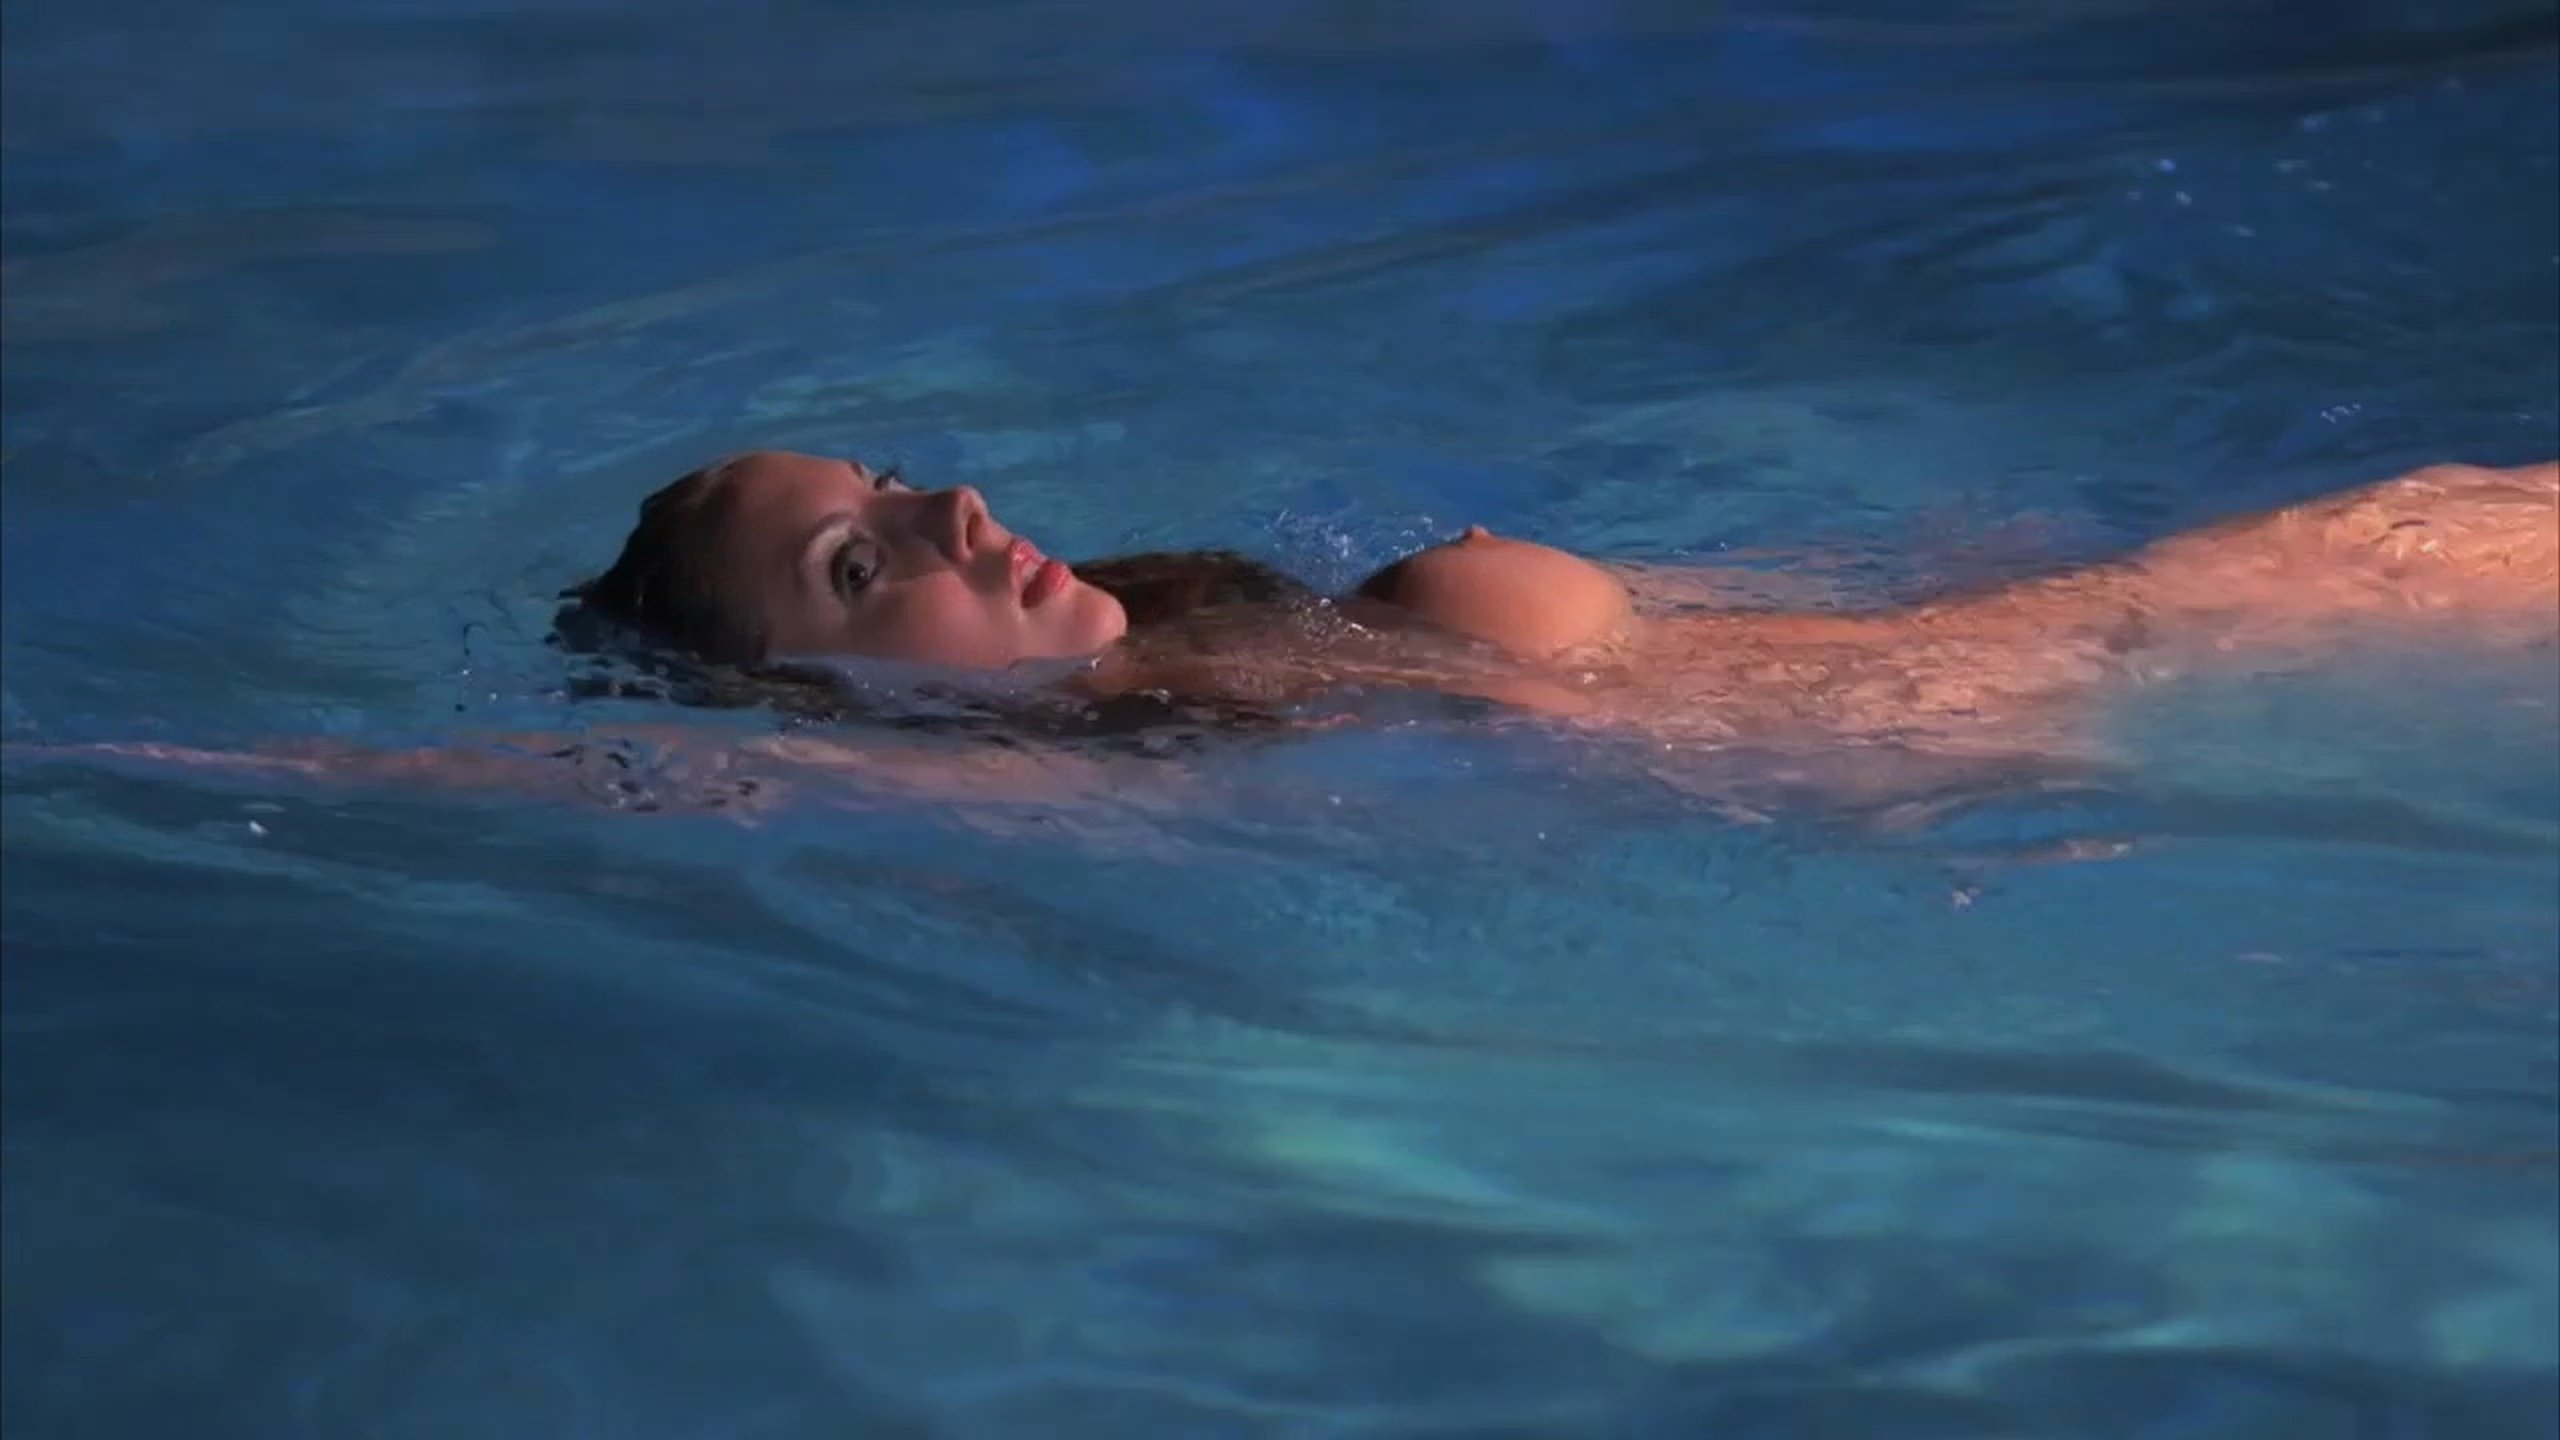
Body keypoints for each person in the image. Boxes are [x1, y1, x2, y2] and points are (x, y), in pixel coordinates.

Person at [36, 449, 2559, 812]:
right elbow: (546, 797)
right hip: (2113, 689)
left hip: (2101, 635)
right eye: (863, 563)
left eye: (899, 480)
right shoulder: (1005, 784)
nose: (954, 507)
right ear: (816, 698)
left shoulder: (1226, 620)